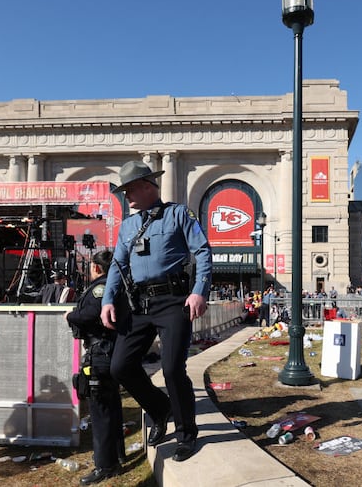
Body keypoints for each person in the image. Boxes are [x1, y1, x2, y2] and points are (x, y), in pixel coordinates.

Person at [100, 160, 212, 462]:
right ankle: (160, 409)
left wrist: (198, 291)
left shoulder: (178, 214)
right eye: (123, 191)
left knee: (173, 368)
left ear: (149, 186)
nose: (126, 196)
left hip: (174, 302)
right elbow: (118, 265)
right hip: (140, 304)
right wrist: (107, 300)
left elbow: (202, 251)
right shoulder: (127, 226)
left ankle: (187, 434)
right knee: (120, 366)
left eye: (130, 189)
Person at [65, 250, 126, 484]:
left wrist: (71, 316)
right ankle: (117, 455)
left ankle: (105, 466)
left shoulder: (101, 288)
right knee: (111, 407)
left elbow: (89, 314)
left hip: (100, 353)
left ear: (97, 268)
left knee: (100, 412)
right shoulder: (112, 286)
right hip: (108, 351)